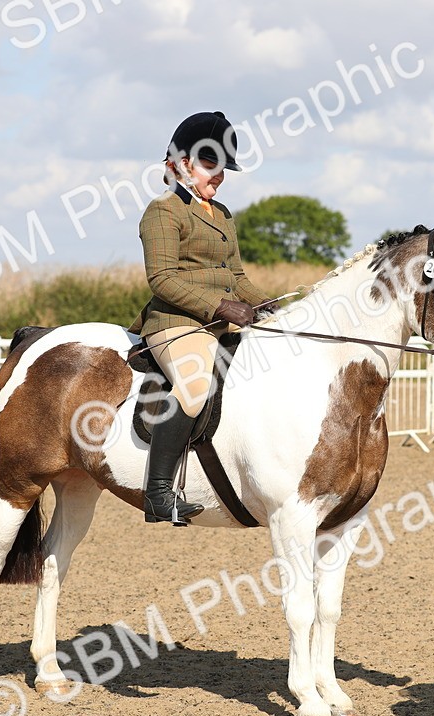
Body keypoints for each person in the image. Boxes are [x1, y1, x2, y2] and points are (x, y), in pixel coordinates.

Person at [128, 111, 272, 525]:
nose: (220, 175)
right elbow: (162, 279)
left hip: (215, 327)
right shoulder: (162, 211)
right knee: (193, 386)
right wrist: (222, 307)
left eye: (224, 167)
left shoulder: (222, 214)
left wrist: (266, 305)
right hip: (175, 324)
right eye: (211, 164)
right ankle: (157, 492)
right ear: (181, 163)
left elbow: (237, 278)